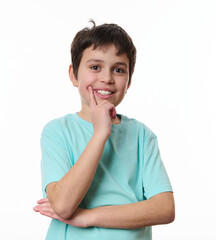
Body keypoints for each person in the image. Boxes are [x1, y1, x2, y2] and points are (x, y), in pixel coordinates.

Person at [33, 20, 175, 240]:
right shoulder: (57, 131)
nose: (107, 78)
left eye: (118, 70)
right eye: (95, 67)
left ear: (128, 82)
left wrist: (87, 217)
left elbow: (165, 208)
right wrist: (100, 134)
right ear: (73, 74)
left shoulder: (142, 135)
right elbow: (62, 205)